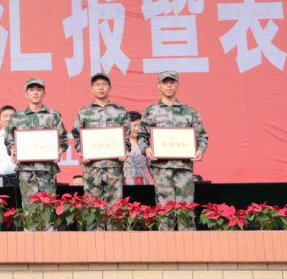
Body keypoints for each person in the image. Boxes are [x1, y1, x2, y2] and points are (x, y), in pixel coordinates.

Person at [136, 71, 209, 230]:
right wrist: (146, 149)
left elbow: (202, 135)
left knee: (185, 212)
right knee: (164, 213)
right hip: (161, 169)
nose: (168, 86)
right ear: (159, 86)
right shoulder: (151, 111)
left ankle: (188, 245)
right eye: (165, 82)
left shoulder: (189, 111)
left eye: (172, 82)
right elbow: (141, 136)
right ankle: (165, 245)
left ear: (177, 84)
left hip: (184, 168)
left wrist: (200, 150)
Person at [71, 72, 130, 227]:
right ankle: (94, 238)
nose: (101, 87)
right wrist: (82, 150)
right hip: (92, 167)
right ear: (91, 89)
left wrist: (125, 150)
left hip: (114, 165)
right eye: (97, 85)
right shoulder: (84, 112)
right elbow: (76, 135)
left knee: (115, 206)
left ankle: (114, 238)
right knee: (93, 206)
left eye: (104, 84)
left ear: (110, 87)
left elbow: (126, 136)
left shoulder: (120, 111)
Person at [4, 78, 68, 210]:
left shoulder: (53, 116)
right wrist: (12, 149)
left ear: (44, 93)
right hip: (26, 170)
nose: (35, 93)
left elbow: (64, 138)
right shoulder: (17, 117)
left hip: (47, 170)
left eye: (39, 90)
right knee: (29, 209)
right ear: (26, 94)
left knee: (49, 208)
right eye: (31, 90)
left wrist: (60, 148)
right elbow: (8, 139)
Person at [123, 111, 151, 185]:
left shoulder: (145, 146)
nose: (137, 128)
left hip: (142, 183)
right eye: (134, 125)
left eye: (140, 126)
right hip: (124, 184)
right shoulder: (121, 145)